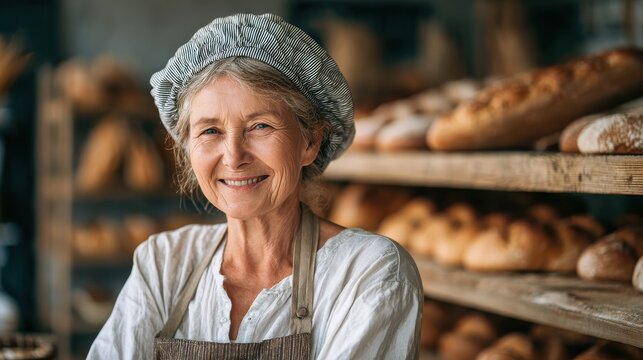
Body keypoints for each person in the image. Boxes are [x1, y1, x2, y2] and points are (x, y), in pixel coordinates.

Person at [88, 13, 423, 359]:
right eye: (210, 131)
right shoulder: (164, 262)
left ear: (310, 141)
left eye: (260, 126)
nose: (233, 157)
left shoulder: (369, 272)